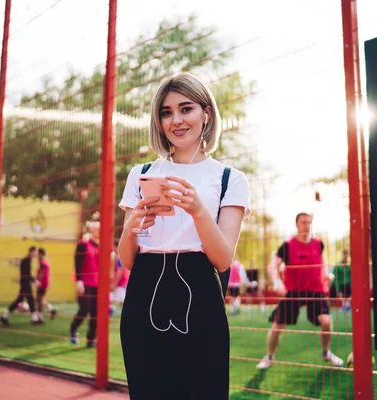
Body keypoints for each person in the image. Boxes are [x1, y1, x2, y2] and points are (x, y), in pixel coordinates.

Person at [118, 72, 250, 399]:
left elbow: (222, 260)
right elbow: (126, 259)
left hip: (200, 292)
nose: (175, 120)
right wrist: (133, 226)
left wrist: (198, 210)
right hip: (144, 293)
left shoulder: (229, 178)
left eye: (185, 109)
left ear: (206, 114)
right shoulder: (143, 173)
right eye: (166, 112)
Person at [256, 213, 344, 369]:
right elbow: (272, 266)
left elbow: (322, 264)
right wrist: (277, 283)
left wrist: (326, 275)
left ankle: (326, 352)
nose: (307, 225)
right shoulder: (287, 245)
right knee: (278, 325)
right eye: (303, 222)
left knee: (326, 320)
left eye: (309, 222)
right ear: (296, 224)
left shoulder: (318, 244)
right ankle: (269, 356)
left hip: (315, 290)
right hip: (293, 291)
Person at [70, 222, 99, 348]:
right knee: (84, 309)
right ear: (91, 230)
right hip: (85, 282)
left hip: (97, 284)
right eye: (98, 229)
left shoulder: (99, 246)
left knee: (96, 313)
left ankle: (91, 339)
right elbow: (77, 263)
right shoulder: (83, 244)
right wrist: (79, 281)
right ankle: (73, 329)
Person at [0, 246, 40, 325]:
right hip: (25, 283)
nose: (37, 253)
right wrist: (35, 280)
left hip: (25, 283)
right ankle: (34, 319)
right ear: (32, 251)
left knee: (24, 300)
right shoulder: (27, 260)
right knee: (28, 300)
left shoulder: (28, 260)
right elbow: (26, 273)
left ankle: (5, 316)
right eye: (36, 251)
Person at [35, 248, 56, 322]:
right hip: (45, 283)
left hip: (42, 283)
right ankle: (51, 309)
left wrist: (38, 281)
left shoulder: (42, 262)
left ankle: (40, 318)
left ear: (41, 254)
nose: (37, 255)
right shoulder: (46, 261)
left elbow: (42, 272)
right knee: (40, 299)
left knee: (39, 300)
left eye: (38, 254)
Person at [109, 252, 128, 316]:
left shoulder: (118, 257)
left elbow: (120, 270)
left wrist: (114, 283)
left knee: (123, 301)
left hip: (120, 284)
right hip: (117, 282)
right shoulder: (115, 256)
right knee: (110, 299)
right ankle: (109, 314)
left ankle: (126, 316)